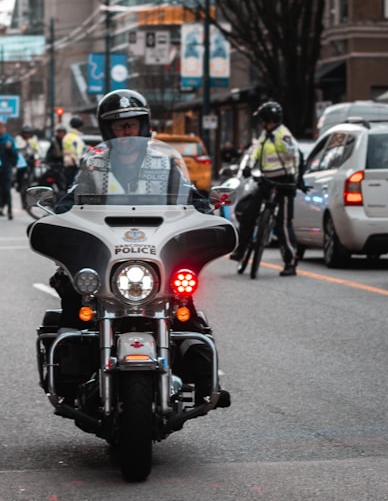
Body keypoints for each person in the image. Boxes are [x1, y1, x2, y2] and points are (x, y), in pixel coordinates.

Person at [47, 88, 228, 408]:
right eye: (119, 126)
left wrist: (206, 211)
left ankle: (203, 379)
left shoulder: (166, 160)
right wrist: (58, 215)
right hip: (108, 253)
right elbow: (71, 199)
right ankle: (68, 378)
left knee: (185, 307)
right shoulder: (94, 163)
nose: (127, 132)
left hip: (155, 253)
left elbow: (189, 196)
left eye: (132, 124)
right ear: (109, 130)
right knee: (73, 293)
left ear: (143, 126)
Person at [228, 101, 300, 276]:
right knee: (247, 215)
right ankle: (241, 250)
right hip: (266, 182)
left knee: (283, 224)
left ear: (268, 119)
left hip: (283, 183)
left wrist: (295, 178)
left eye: (262, 119)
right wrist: (248, 167)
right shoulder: (265, 135)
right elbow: (256, 152)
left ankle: (290, 262)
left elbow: (295, 156)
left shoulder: (283, 136)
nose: (260, 123)